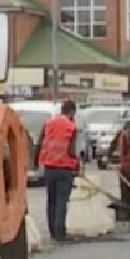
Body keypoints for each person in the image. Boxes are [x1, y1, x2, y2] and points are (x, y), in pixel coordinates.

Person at [37, 99, 81, 242]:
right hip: (64, 169)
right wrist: (77, 165)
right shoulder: (71, 127)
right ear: (72, 112)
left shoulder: (48, 123)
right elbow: (71, 150)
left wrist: (38, 161)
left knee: (51, 201)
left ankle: (52, 232)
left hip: (49, 167)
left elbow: (40, 143)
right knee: (62, 201)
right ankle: (60, 232)